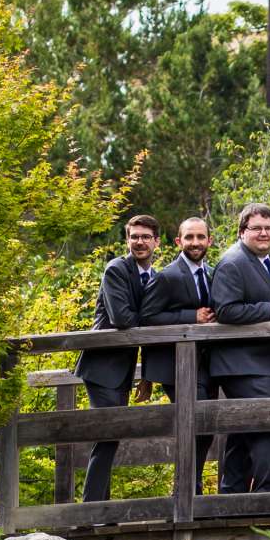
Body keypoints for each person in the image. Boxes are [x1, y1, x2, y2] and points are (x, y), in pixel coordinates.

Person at [76, 213, 160, 502]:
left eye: (145, 237)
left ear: (156, 242)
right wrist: (158, 318)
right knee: (107, 435)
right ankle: (93, 508)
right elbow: (122, 318)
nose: (139, 242)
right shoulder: (116, 270)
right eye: (134, 236)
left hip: (123, 369)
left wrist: (147, 376)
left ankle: (101, 507)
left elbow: (146, 330)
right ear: (127, 240)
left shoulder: (154, 276)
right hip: (102, 367)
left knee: (112, 436)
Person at [209, 204, 270, 494]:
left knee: (243, 432)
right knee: (267, 427)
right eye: (256, 228)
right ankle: (269, 498)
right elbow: (226, 310)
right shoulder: (233, 263)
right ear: (242, 231)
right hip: (241, 364)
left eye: (269, 228)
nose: (264, 233)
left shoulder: (264, 262)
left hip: (259, 363)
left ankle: (230, 498)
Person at [141, 214, 220, 492]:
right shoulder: (167, 276)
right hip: (176, 366)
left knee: (206, 427)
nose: (195, 242)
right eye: (189, 237)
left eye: (200, 237)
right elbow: (147, 317)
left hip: (207, 363)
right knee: (197, 423)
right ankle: (186, 489)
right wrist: (191, 316)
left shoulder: (211, 273)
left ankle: (191, 485)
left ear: (209, 240)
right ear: (178, 241)